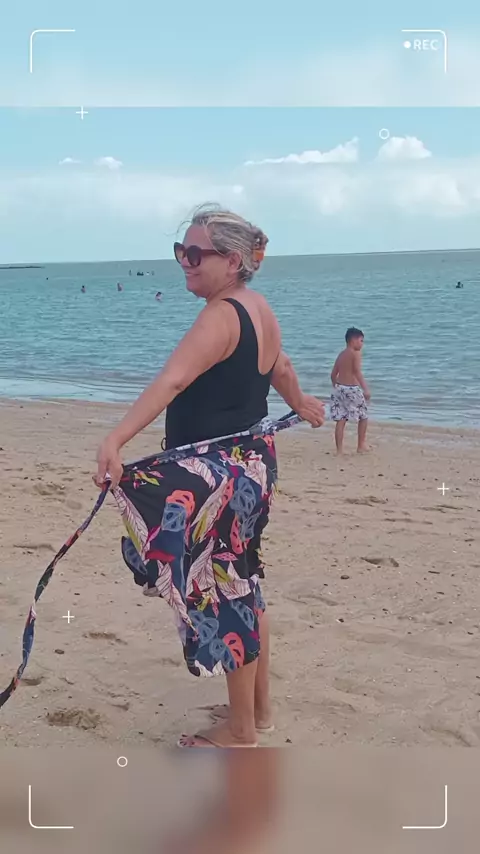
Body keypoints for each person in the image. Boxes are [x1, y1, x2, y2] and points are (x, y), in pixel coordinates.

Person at [94, 204, 325, 748]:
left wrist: (115, 440)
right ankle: (259, 712)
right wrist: (300, 402)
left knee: (224, 591)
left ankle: (240, 731)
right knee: (244, 580)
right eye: (182, 251)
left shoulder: (220, 316)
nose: (185, 262)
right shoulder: (259, 308)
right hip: (253, 467)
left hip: (220, 477)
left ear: (234, 261)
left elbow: (173, 380)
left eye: (197, 254)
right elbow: (282, 367)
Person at [330, 327, 370, 455]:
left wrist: (336, 387)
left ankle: (339, 450)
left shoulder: (341, 354)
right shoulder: (355, 353)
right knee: (363, 416)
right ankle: (361, 445)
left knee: (341, 419)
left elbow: (333, 374)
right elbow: (357, 372)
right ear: (353, 340)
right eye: (361, 341)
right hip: (352, 389)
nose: (362, 344)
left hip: (340, 388)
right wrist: (365, 389)